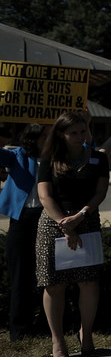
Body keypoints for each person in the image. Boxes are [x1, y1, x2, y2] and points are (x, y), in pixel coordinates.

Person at [35, 111, 109, 357]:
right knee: (54, 284)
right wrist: (64, 225)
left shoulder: (98, 159)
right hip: (54, 224)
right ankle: (58, 340)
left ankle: (85, 334)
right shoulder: (49, 159)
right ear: (61, 134)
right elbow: (45, 196)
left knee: (89, 282)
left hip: (86, 222)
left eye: (83, 131)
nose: (80, 137)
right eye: (73, 132)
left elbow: (100, 193)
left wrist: (80, 216)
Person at [2, 124, 46, 341]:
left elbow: (85, 147)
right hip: (21, 219)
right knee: (20, 275)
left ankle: (46, 323)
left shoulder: (55, 156)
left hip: (46, 218)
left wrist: (85, 124)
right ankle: (19, 329)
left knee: (47, 274)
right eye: (45, 134)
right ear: (34, 137)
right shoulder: (18, 155)